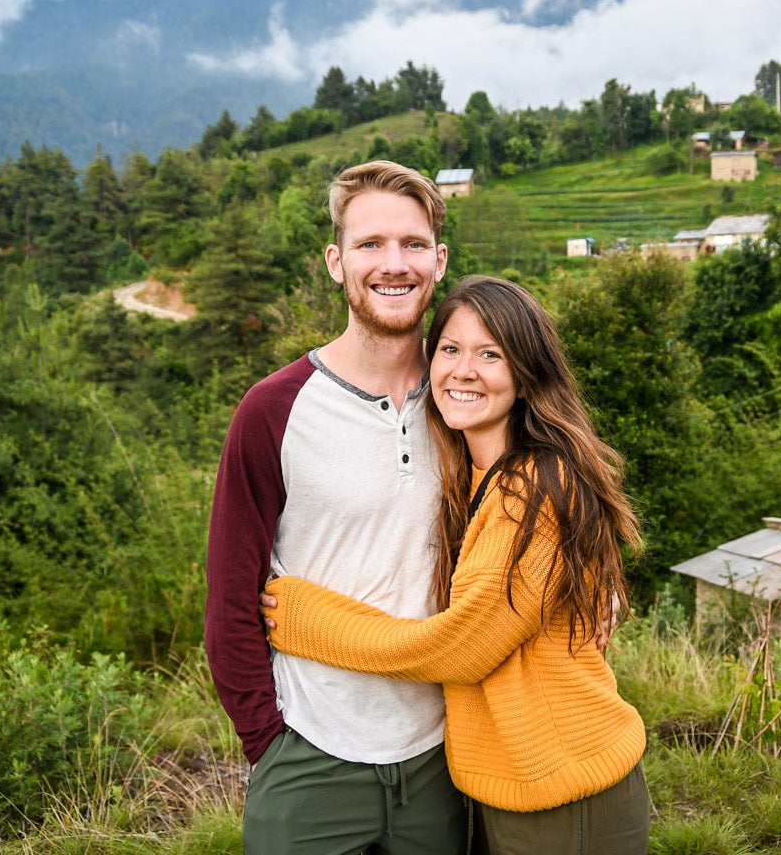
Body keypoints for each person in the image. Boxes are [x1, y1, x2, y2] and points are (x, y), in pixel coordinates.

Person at [262, 274, 650, 854]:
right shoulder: (471, 477)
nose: (463, 370)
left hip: (566, 788)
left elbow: (461, 649)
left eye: (490, 354)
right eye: (450, 349)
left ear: (525, 375)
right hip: (508, 784)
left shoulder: (536, 487)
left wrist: (308, 620)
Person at [204, 160, 467, 854]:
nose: (394, 264)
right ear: (335, 261)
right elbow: (231, 597)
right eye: (370, 244)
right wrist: (269, 741)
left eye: (413, 244)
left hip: (443, 758)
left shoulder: (466, 402)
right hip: (311, 755)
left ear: (439, 261)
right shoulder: (273, 410)